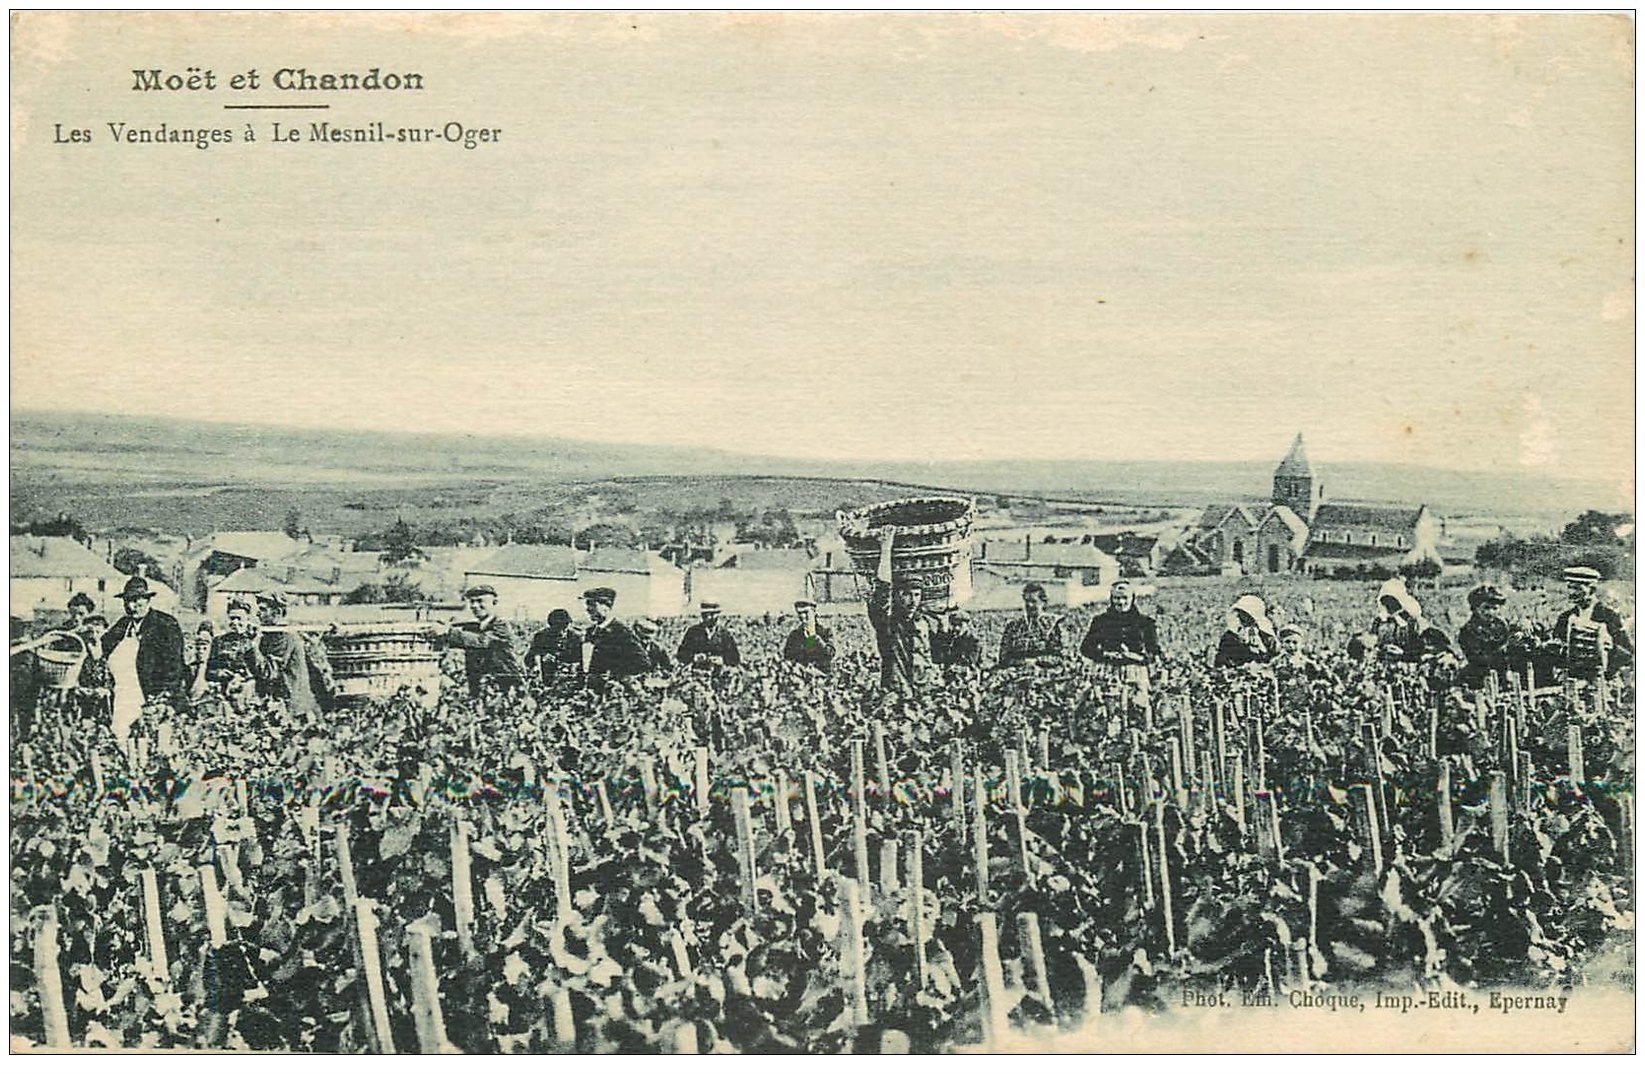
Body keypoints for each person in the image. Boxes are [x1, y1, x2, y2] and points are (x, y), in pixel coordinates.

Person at [101, 575, 185, 742]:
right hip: (123, 695)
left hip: (151, 696)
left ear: (147, 600)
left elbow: (175, 666)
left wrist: (163, 697)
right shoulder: (123, 624)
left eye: (136, 601)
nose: (131, 606)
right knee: (121, 739)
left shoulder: (165, 625)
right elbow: (104, 647)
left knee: (148, 740)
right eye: (127, 601)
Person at [865, 525, 936, 691]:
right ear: (896, 596)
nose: (913, 601)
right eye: (907, 595)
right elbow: (882, 589)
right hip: (896, 693)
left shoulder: (924, 623)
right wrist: (885, 549)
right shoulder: (887, 623)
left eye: (917, 595)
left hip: (923, 692)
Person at [1079, 580, 1162, 709]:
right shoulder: (1100, 621)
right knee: (1101, 708)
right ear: (1111, 599)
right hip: (1106, 672)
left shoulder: (1145, 623)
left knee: (1139, 707)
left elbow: (1153, 651)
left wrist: (1135, 656)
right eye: (1117, 598)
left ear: (1132, 598)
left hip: (1135, 672)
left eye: (1125, 598)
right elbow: (1085, 648)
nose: (1121, 602)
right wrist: (1105, 654)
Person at [1554, 565, 1633, 682]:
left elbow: (1627, 652)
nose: (1572, 592)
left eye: (1577, 588)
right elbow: (1557, 649)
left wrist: (1610, 648)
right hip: (1573, 679)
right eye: (1569, 587)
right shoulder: (1565, 618)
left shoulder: (1608, 616)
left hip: (1602, 680)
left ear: (1592, 590)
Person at [444, 584, 526, 696]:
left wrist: (447, 632)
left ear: (494, 603)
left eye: (480, 601)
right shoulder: (473, 627)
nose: (474, 606)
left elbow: (482, 641)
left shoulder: (501, 625)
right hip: (478, 685)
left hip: (503, 685)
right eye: (472, 602)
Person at [252, 591, 321, 718]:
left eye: (263, 609)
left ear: (277, 612)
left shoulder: (282, 636)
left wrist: (252, 646)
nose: (257, 613)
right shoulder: (271, 635)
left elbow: (269, 672)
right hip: (281, 701)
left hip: (288, 705)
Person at [1353, 578, 1451, 663]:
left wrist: (1404, 654)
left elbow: (1430, 649)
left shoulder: (1413, 622)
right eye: (1386, 602)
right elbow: (1372, 643)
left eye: (1393, 601)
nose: (1390, 606)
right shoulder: (1379, 622)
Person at [1456, 583, 1522, 689]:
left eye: (1494, 608)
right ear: (1475, 608)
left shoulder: (1500, 624)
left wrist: (1520, 632)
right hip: (1480, 676)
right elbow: (1479, 660)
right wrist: (1506, 648)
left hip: (1504, 672)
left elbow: (1515, 630)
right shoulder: (1469, 630)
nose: (1490, 612)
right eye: (1486, 608)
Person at [582, 587, 650, 687]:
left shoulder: (622, 632)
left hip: (611, 690)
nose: (588, 609)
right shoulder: (590, 632)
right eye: (587, 604)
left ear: (606, 607)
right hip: (590, 689)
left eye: (592, 604)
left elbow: (642, 663)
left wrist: (614, 674)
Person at [997, 582, 1066, 668]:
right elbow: (1003, 656)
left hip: (1045, 671)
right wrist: (1022, 662)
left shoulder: (1054, 625)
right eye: (1027, 601)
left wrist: (1036, 661)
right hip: (1015, 670)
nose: (1029, 605)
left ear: (1043, 603)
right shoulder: (1013, 626)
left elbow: (1059, 657)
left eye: (1033, 601)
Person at [1214, 594, 1278, 669]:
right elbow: (1222, 660)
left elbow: (1272, 656)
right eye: (1241, 613)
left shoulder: (1265, 636)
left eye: (1246, 614)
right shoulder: (1230, 637)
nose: (1242, 616)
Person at [525, 608, 583, 686]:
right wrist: (542, 657)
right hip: (547, 679)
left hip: (570, 679)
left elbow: (582, 661)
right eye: (557, 629)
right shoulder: (541, 637)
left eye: (564, 628)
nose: (561, 632)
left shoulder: (575, 638)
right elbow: (529, 659)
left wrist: (570, 665)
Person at [676, 601, 742, 668]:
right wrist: (694, 657)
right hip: (697, 671)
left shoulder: (724, 634)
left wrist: (722, 660)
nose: (709, 617)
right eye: (706, 615)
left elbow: (735, 658)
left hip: (718, 672)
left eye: (713, 614)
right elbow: (681, 654)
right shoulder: (693, 632)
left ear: (718, 615)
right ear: (702, 615)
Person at [781, 599, 836, 672]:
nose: (803, 616)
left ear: (814, 613)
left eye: (806, 612)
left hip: (822, 674)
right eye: (799, 613)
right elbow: (788, 656)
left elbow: (830, 654)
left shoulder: (825, 632)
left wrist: (816, 640)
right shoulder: (794, 635)